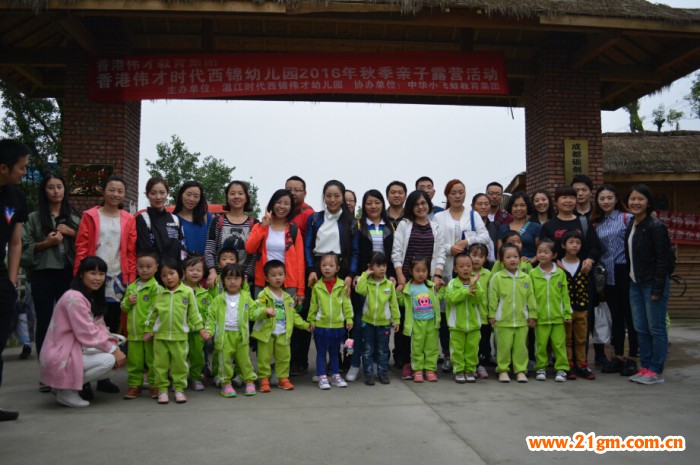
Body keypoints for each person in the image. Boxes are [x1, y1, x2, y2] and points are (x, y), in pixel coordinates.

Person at [74, 175, 136, 395]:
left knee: (111, 325)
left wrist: (130, 277)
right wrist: (80, 274)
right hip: (93, 276)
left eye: (120, 191)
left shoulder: (129, 218)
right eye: (111, 190)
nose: (115, 194)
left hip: (118, 278)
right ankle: (82, 380)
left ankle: (104, 377)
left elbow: (130, 250)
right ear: (104, 192)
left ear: (124, 194)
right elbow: (82, 245)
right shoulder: (91, 216)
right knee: (88, 325)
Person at [40, 256, 127, 408]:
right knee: (109, 360)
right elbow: (86, 333)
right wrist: (112, 349)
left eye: (101, 274)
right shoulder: (74, 297)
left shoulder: (91, 296)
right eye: (92, 273)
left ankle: (63, 386)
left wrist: (114, 345)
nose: (98, 278)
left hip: (74, 349)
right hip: (62, 353)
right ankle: (66, 390)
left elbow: (99, 327)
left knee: (114, 358)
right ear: (81, 274)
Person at [291, 180, 357, 377]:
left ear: (343, 197)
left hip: (341, 270)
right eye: (328, 195)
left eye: (337, 195)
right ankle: (304, 361)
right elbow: (308, 245)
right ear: (323, 197)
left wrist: (350, 275)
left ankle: (342, 361)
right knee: (312, 314)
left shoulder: (351, 221)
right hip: (317, 270)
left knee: (343, 317)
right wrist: (311, 269)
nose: (333, 199)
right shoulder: (315, 219)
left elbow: (355, 251)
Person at [21, 173, 80, 358]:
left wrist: (73, 233)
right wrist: (46, 244)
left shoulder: (75, 217)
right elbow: (22, 247)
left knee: (70, 320)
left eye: (59, 187)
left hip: (68, 273)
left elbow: (89, 244)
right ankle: (46, 369)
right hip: (43, 274)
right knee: (45, 321)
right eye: (51, 187)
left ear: (65, 190)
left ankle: (67, 366)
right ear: (44, 191)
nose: (56, 191)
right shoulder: (33, 218)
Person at [434, 179, 489, 372]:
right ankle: (448, 354)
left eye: (461, 192)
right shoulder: (439, 217)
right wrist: (450, 248)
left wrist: (467, 242)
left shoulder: (473, 215)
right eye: (453, 193)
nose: (457, 196)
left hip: (468, 270)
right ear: (447, 196)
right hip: (447, 268)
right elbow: (436, 242)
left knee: (469, 310)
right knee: (446, 313)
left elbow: (485, 237)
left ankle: (471, 358)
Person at [392, 190, 446, 380]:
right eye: (417, 204)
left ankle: (427, 365)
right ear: (411, 207)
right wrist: (400, 277)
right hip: (407, 282)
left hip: (427, 282)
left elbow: (441, 254)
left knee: (427, 325)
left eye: (424, 203)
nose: (421, 207)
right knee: (407, 323)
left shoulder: (436, 227)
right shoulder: (404, 225)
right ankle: (408, 363)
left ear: (429, 205)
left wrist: (437, 276)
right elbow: (396, 253)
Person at [625, 184, 673, 385]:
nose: (635, 202)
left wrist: (657, 288)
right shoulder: (632, 225)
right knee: (640, 328)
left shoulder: (656, 227)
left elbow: (664, 261)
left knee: (657, 328)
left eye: (640, 199)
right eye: (632, 199)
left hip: (652, 284)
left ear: (648, 202)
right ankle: (645, 367)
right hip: (635, 283)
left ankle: (655, 369)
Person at [347, 189, 395, 382]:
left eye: (377, 202)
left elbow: (393, 254)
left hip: (383, 281)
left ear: (382, 204)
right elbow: (355, 253)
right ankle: (355, 364)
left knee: (380, 328)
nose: (373, 206)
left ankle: (376, 365)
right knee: (359, 325)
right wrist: (356, 276)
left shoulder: (390, 226)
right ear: (363, 206)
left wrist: (390, 275)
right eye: (369, 203)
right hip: (364, 280)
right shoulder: (358, 225)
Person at [144, 257, 206, 404]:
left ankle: (179, 389)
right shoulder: (159, 293)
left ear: (180, 273)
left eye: (171, 273)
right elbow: (152, 314)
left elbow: (194, 314)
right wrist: (148, 330)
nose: (168, 278)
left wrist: (201, 329)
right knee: (160, 365)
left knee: (180, 365)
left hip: (180, 337)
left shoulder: (187, 292)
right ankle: (163, 390)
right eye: (164, 275)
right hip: (161, 337)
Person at [591, 184, 638, 377]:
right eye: (602, 198)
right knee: (616, 317)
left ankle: (632, 358)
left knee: (631, 317)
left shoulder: (627, 218)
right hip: (608, 274)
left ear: (616, 199)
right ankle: (618, 356)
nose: (606, 202)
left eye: (609, 198)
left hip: (626, 271)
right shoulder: (597, 224)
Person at [204, 263, 264, 397]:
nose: (232, 282)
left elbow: (254, 312)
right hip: (224, 336)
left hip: (241, 335)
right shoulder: (218, 299)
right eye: (229, 278)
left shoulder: (245, 297)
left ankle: (249, 380)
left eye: (236, 278)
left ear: (242, 280)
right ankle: (226, 383)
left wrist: (265, 312)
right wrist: (209, 331)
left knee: (244, 360)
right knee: (224, 361)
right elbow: (211, 317)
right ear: (222, 280)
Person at [0, 139, 29, 420]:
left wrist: (10, 281)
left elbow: (16, 241)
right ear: (3, 167)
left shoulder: (16, 198)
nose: (24, 172)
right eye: (21, 167)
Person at [253, 260, 311, 393]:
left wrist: (305, 325)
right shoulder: (264, 294)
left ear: (285, 276)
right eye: (273, 275)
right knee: (264, 357)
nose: (277, 278)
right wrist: (264, 311)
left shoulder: (287, 297)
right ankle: (264, 379)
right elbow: (255, 311)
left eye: (280, 274)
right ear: (266, 278)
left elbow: (294, 315)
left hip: (283, 332)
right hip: (266, 333)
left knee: (284, 357)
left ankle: (282, 378)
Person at [488, 244, 537, 383]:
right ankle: (503, 370)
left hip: (522, 320)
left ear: (520, 259)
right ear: (501, 260)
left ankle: (520, 370)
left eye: (515, 256)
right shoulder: (497, 277)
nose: (512, 260)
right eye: (508, 257)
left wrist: (532, 314)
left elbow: (531, 297)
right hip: (502, 320)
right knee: (503, 347)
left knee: (521, 347)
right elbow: (493, 297)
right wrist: (492, 314)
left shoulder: (526, 278)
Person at [245, 189, 305, 302]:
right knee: (262, 316)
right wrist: (263, 227)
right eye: (278, 202)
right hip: (264, 280)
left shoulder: (293, 230)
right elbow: (249, 248)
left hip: (288, 283)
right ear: (272, 203)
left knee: (286, 318)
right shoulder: (260, 226)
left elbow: (300, 262)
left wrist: (301, 289)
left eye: (286, 203)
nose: (282, 206)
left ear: (291, 207)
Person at [307, 252, 353, 390]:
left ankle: (335, 375)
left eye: (331, 265)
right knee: (321, 352)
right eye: (324, 265)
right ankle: (321, 376)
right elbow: (313, 305)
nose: (327, 268)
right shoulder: (317, 286)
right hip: (321, 326)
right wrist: (311, 320)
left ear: (337, 268)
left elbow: (346, 303)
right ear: (319, 267)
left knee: (334, 352)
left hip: (338, 326)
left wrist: (349, 318)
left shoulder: (342, 285)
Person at [355, 252, 400, 386]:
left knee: (383, 350)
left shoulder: (389, 285)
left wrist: (396, 319)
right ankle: (369, 375)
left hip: (384, 324)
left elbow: (393, 304)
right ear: (371, 267)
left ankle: (383, 373)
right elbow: (359, 289)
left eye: (384, 266)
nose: (382, 269)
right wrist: (365, 274)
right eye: (378, 265)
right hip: (367, 322)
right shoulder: (367, 283)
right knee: (367, 350)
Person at [530, 239, 571, 383]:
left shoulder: (560, 273)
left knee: (559, 344)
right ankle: (541, 367)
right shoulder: (532, 273)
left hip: (557, 317)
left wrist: (567, 313)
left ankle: (561, 368)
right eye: (539, 252)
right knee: (540, 344)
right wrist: (532, 315)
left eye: (546, 252)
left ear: (553, 255)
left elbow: (565, 296)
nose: (542, 255)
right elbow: (530, 297)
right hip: (540, 317)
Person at [121, 251, 160, 399]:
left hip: (149, 333)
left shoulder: (155, 288)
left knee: (152, 360)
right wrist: (127, 302)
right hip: (133, 332)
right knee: (134, 361)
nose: (144, 270)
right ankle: (134, 385)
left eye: (148, 266)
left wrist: (148, 330)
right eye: (141, 266)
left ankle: (154, 384)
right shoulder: (132, 286)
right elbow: (123, 307)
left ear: (156, 268)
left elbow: (156, 310)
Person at [205, 180, 258, 290]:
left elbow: (256, 255)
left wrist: (247, 275)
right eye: (232, 193)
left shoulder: (254, 224)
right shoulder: (217, 221)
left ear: (246, 197)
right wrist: (212, 271)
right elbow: (209, 249)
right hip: (220, 280)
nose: (236, 196)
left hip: (244, 280)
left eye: (240, 193)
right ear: (227, 197)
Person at [444, 253, 486, 384]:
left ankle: (470, 370)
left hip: (474, 325)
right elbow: (450, 299)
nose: (466, 269)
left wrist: (474, 288)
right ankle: (459, 370)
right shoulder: (452, 283)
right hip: (457, 325)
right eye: (461, 266)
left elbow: (480, 299)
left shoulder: (475, 282)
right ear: (455, 269)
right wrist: (465, 291)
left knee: (472, 349)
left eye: (468, 266)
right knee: (457, 349)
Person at [559, 230, 595, 381]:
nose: (574, 245)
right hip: (565, 309)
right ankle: (568, 364)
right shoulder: (558, 265)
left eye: (578, 243)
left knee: (581, 338)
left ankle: (582, 364)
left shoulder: (585, 264)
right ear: (563, 245)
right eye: (571, 242)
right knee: (566, 338)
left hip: (581, 307)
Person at [400, 256, 441, 383]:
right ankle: (417, 370)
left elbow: (439, 298)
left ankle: (430, 369)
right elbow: (402, 303)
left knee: (431, 347)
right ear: (411, 271)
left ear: (428, 272)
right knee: (417, 347)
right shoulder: (409, 288)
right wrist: (398, 293)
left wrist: (442, 288)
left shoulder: (431, 286)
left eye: (424, 270)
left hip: (431, 323)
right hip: (417, 323)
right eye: (417, 270)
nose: (421, 274)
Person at [136, 177, 186, 264]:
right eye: (153, 193)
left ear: (167, 194)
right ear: (147, 195)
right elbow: (144, 250)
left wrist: (182, 268)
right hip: (152, 274)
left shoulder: (175, 219)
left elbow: (182, 247)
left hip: (174, 273)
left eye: (162, 193)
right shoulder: (142, 219)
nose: (158, 197)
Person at [183, 255, 210, 391]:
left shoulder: (205, 293)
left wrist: (206, 328)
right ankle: (179, 380)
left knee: (197, 356)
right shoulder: (179, 291)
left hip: (198, 332)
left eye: (198, 270)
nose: (195, 273)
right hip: (181, 330)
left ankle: (196, 377)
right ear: (184, 272)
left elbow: (208, 313)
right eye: (191, 270)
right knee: (179, 356)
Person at [469, 243, 492, 378]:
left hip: (484, 315)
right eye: (474, 255)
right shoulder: (466, 272)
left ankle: (481, 364)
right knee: (472, 342)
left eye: (481, 256)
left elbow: (491, 295)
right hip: (470, 315)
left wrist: (491, 313)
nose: (477, 259)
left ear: (486, 258)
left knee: (483, 341)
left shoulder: (488, 274)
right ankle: (472, 365)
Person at [497, 192, 541, 260]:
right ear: (511, 208)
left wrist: (530, 262)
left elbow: (541, 250)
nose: (519, 208)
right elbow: (500, 254)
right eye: (515, 205)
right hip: (509, 268)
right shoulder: (503, 229)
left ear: (527, 207)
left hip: (531, 268)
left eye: (522, 205)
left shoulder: (536, 227)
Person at [173, 181, 213, 256]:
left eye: (196, 196)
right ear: (181, 194)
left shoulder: (206, 216)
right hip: (184, 265)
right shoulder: (173, 219)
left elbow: (212, 243)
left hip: (205, 264)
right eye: (188, 194)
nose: (191, 199)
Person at [471, 193, 499, 265]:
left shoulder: (496, 227)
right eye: (480, 204)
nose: (483, 207)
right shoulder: (467, 226)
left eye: (486, 204)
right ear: (472, 206)